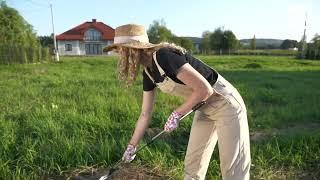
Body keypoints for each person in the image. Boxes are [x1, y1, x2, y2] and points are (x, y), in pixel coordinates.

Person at [103, 24, 251, 180]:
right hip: (204, 109)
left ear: (131, 49)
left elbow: (204, 90)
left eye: (120, 49)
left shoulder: (164, 56)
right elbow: (145, 114)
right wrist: (132, 146)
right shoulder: (148, 72)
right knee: (193, 165)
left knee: (233, 169)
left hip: (226, 104)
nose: (119, 54)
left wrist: (177, 114)